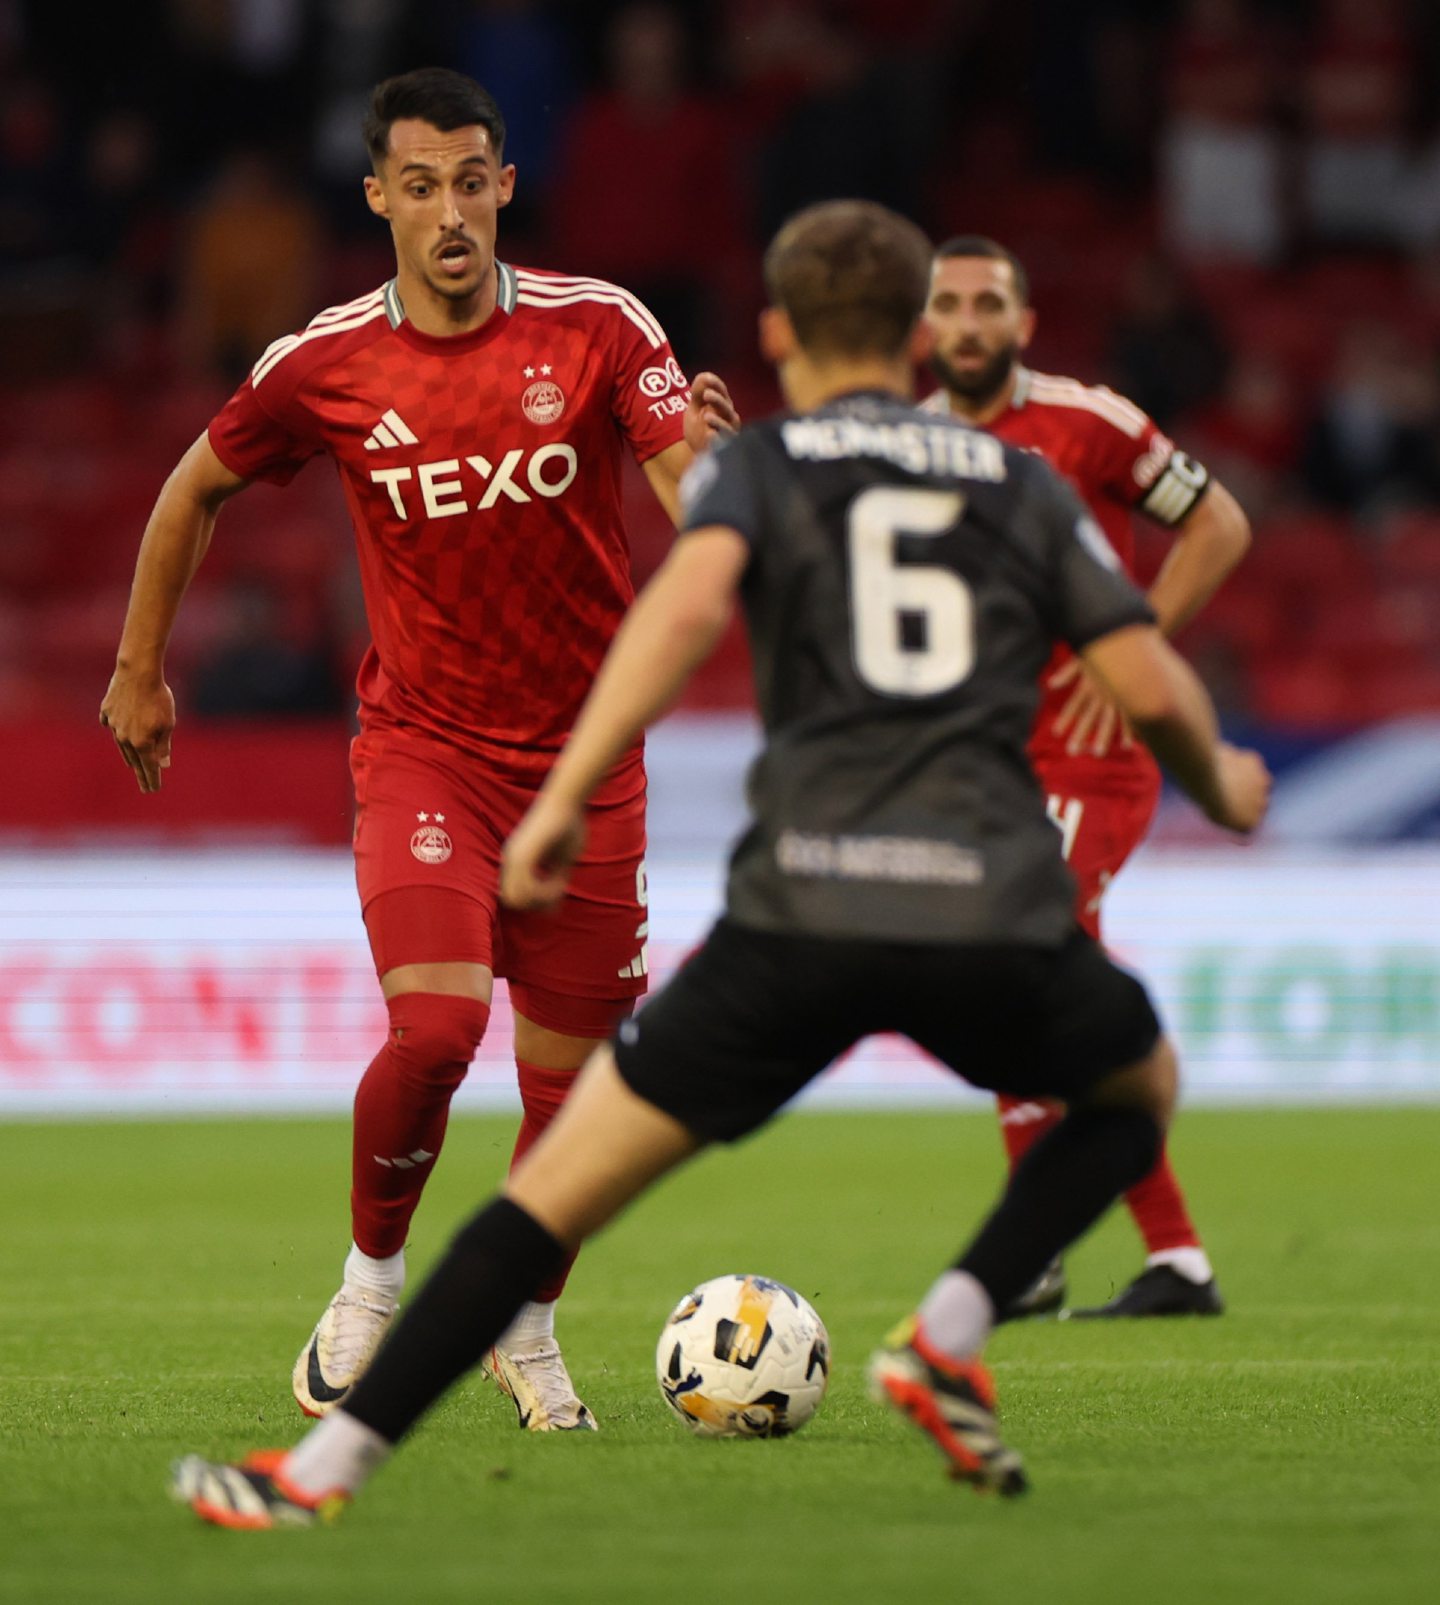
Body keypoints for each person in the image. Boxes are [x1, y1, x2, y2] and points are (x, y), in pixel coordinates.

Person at [171, 198, 1270, 1527]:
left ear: (779, 334)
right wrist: (1225, 781)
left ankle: (317, 1473)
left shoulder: (769, 468)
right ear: (915, 331)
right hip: (984, 904)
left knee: (553, 1187)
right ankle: (948, 1328)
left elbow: (680, 617)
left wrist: (567, 792)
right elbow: (1144, 676)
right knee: (1135, 1081)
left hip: (800, 911)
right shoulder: (1023, 478)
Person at [99, 67, 738, 1433]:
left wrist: (725, 481)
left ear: (505, 187)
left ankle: (526, 1320)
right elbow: (192, 487)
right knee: (440, 1027)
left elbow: (692, 484)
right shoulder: (323, 362)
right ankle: (371, 1284)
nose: (451, 211)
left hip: (585, 769)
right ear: (380, 197)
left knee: (577, 1092)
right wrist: (138, 664)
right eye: (421, 185)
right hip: (426, 750)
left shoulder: (600, 330)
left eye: (473, 182)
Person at [921, 235, 1251, 1318]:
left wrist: (1139, 643)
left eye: (989, 304)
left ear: (1024, 323)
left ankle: (1093, 1258)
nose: (969, 323)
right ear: (927, 327)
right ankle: (1127, 1262)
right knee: (1023, 984)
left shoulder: (1089, 422)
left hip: (1090, 760)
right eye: (950, 305)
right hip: (985, 763)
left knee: (1021, 961)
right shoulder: (907, 444)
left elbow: (1219, 522)